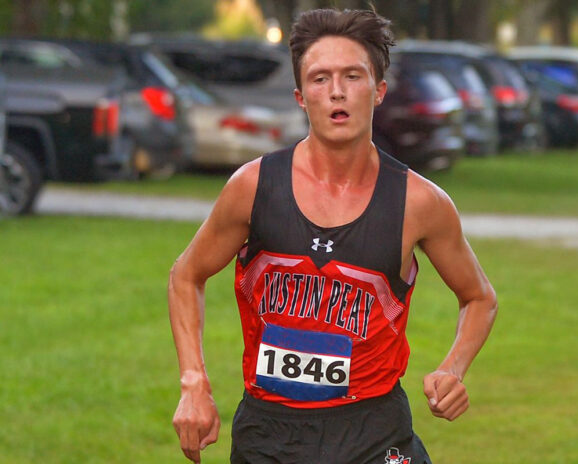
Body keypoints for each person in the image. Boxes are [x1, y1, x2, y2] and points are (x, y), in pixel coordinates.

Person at [169, 7, 498, 464]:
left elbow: (480, 297)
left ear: (379, 90)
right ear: (301, 96)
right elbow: (186, 276)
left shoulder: (420, 203)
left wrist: (453, 369)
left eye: (353, 76)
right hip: (270, 433)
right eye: (320, 79)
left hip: (374, 430)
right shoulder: (253, 186)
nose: (337, 92)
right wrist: (194, 383)